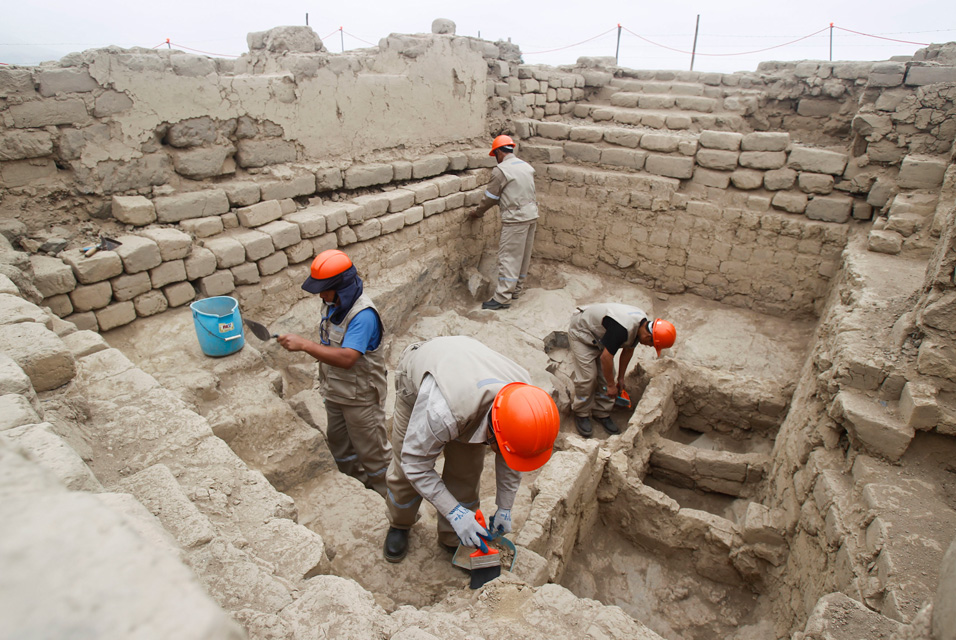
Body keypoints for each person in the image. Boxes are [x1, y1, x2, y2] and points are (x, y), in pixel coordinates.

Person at [382, 335, 560, 563]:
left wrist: (505, 506)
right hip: (423, 378)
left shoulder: (522, 402)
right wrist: (454, 512)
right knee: (405, 473)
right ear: (494, 432)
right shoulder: (442, 413)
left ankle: (452, 538)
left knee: (466, 475)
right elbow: (415, 464)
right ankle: (400, 522)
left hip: (468, 379)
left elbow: (514, 453)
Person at [277, 249, 391, 497]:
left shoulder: (363, 315)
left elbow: (349, 357)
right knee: (341, 445)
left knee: (374, 453)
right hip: (337, 391)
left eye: (326, 288)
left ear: (343, 286)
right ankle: (359, 489)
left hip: (360, 397)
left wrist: (305, 345)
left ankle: (397, 505)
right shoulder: (333, 304)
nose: (321, 294)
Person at [568, 303, 676, 438]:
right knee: (588, 377)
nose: (649, 346)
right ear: (649, 337)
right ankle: (581, 413)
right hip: (582, 333)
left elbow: (628, 350)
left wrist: (620, 378)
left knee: (607, 376)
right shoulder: (622, 329)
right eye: (651, 344)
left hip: (600, 337)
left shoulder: (641, 326)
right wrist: (611, 385)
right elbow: (606, 357)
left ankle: (601, 412)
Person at [468, 134, 539, 311]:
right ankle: (516, 291)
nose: (496, 160)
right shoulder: (525, 166)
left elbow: (490, 197)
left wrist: (477, 212)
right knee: (522, 256)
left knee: (509, 257)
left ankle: (502, 298)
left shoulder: (501, 170)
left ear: (499, 151)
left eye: (495, 155)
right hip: (531, 215)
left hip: (515, 219)